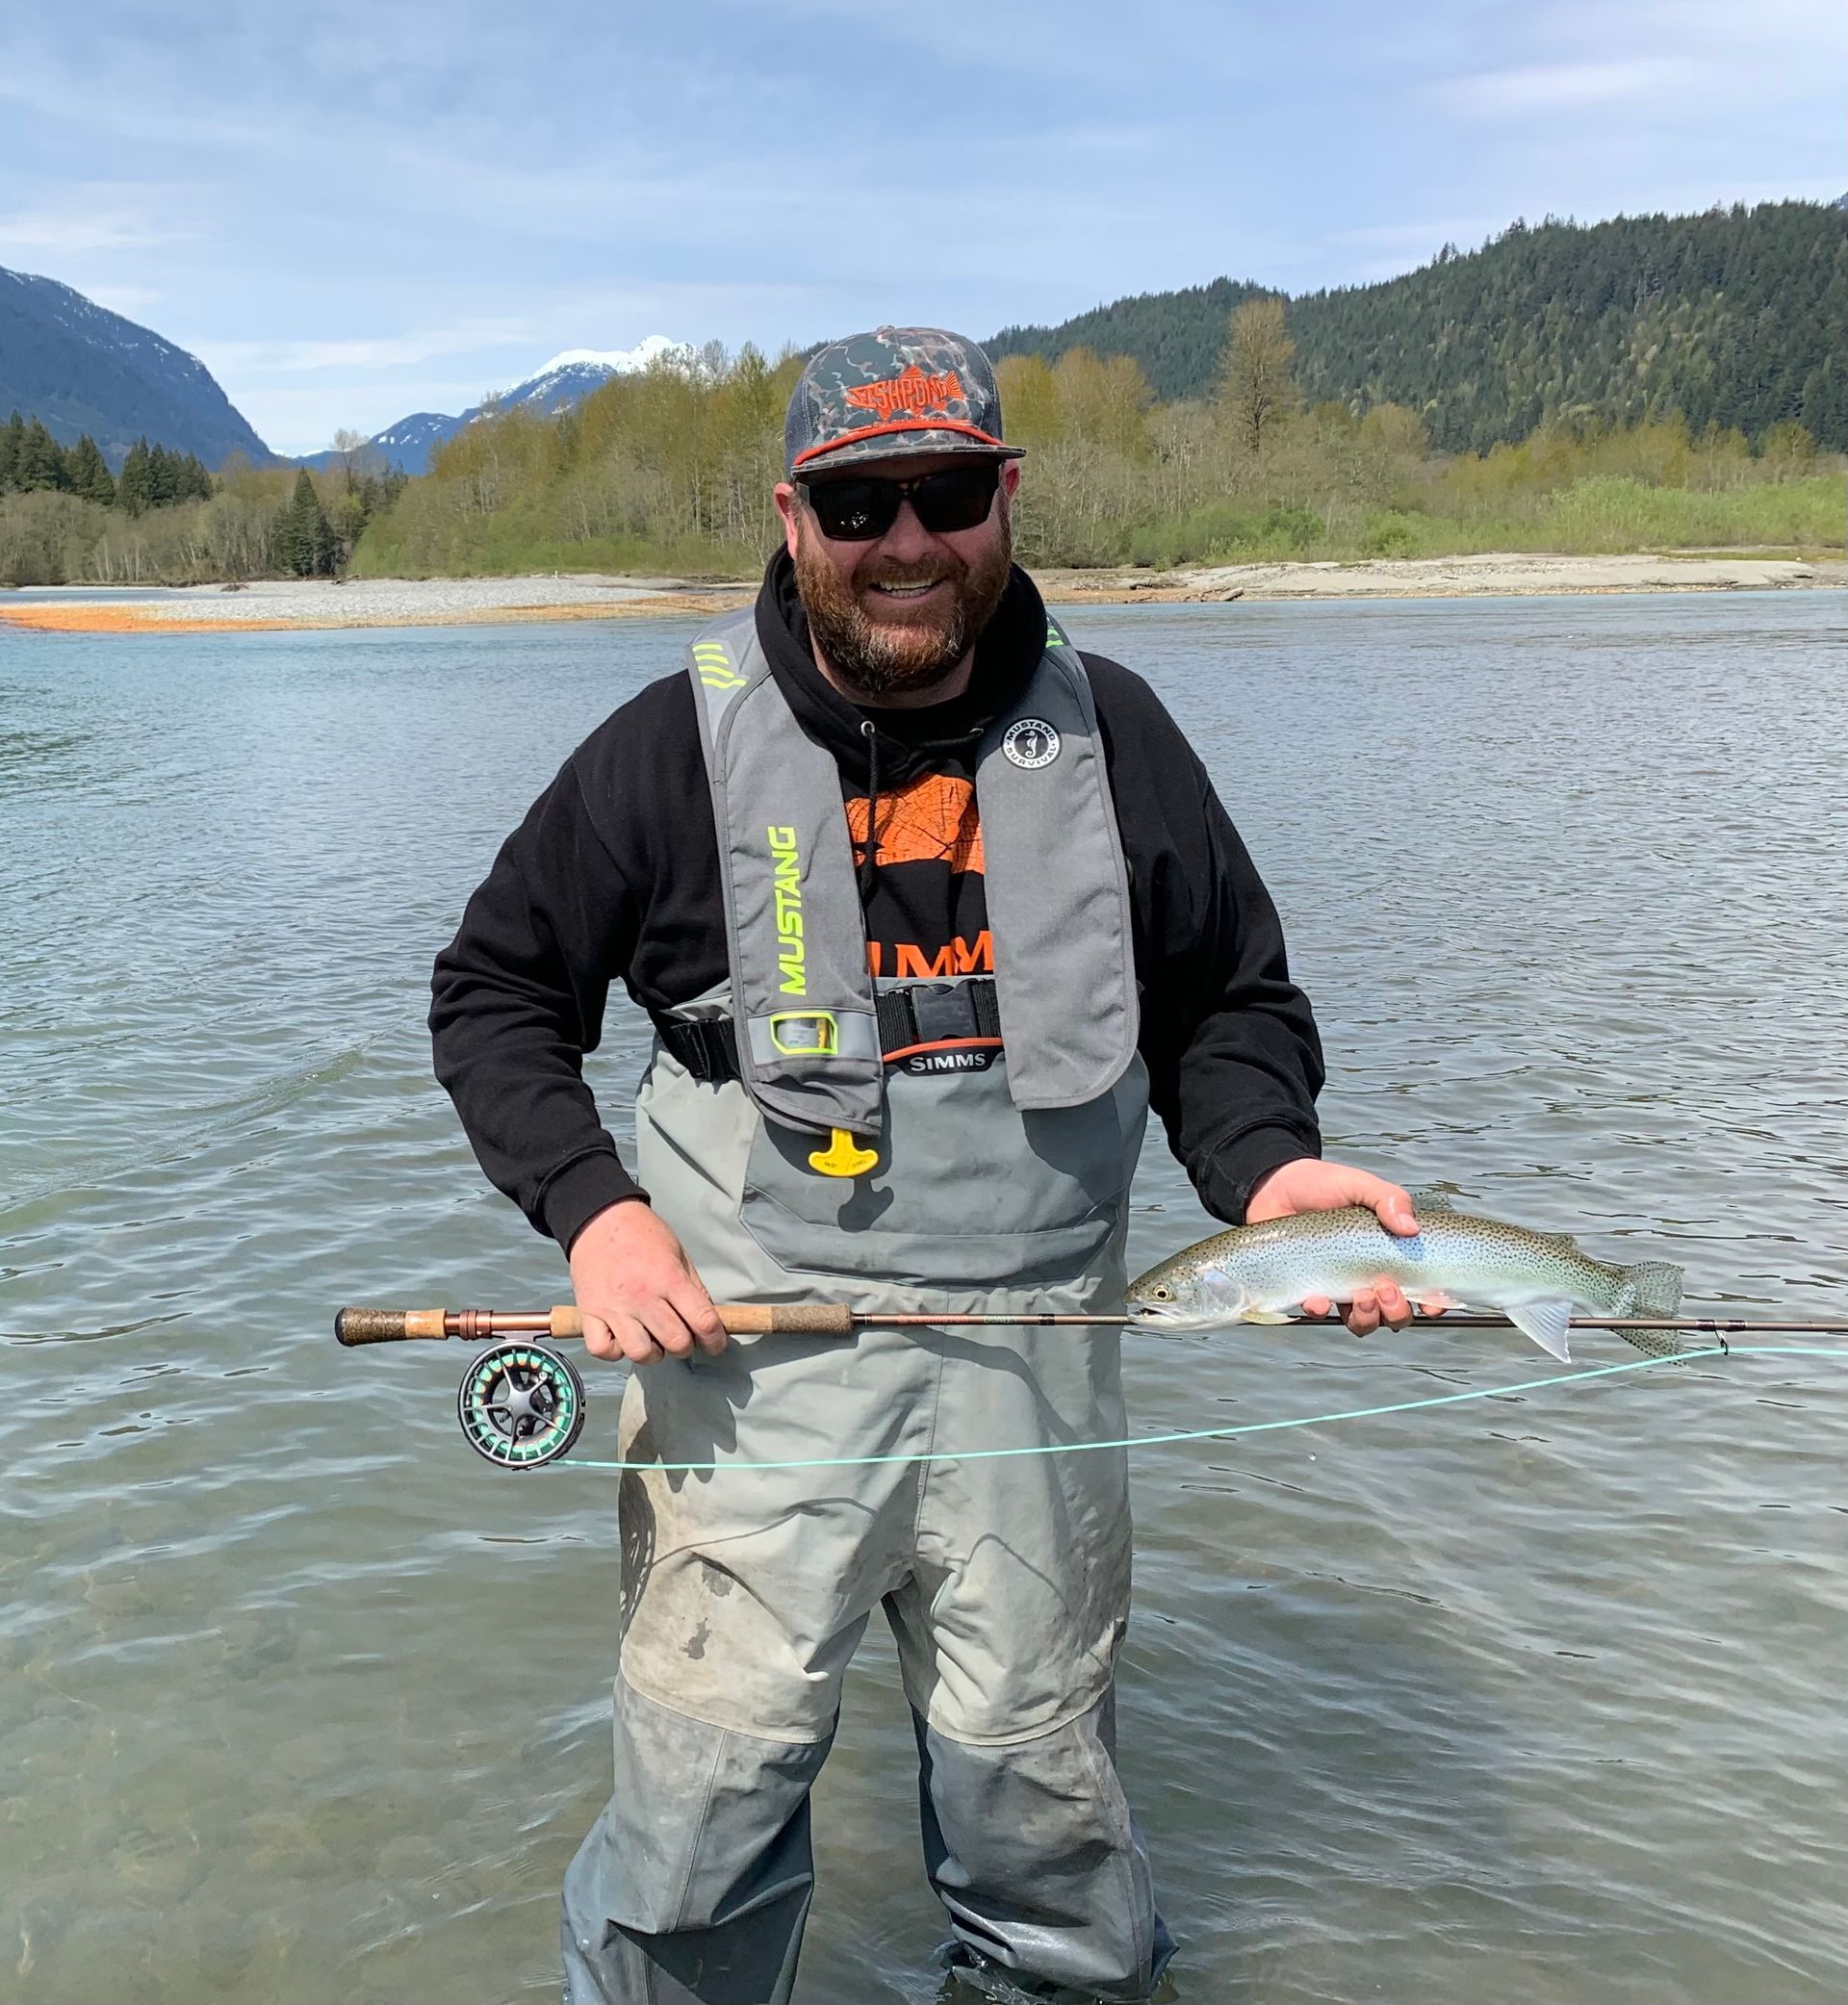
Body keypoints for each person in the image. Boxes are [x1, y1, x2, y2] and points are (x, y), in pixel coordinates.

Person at [430, 327, 1424, 2005]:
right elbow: (495, 993)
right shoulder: (667, 750)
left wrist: (1265, 1174)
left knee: (1046, 1828)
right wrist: (596, 1222)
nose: (907, 542)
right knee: (697, 1830)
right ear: (792, 516)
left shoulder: (1125, 742)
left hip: (1039, 1367)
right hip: (746, 1371)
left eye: (947, 495)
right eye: (860, 502)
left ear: (1007, 497)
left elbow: (1232, 998)